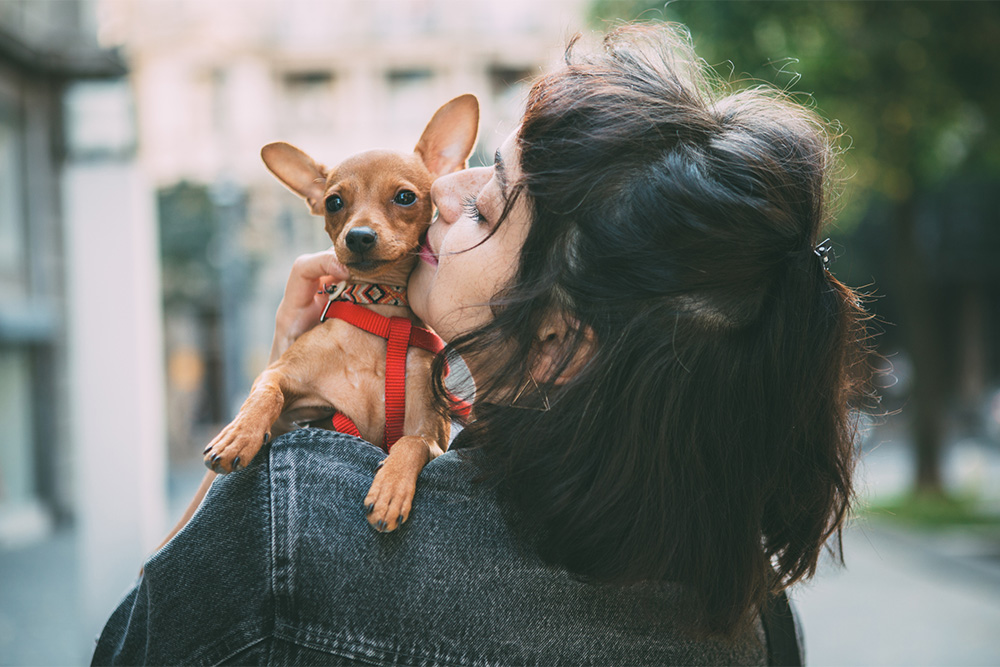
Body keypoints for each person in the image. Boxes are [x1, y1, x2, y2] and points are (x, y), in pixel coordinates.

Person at [92, 21, 872, 666]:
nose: (445, 191)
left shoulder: (293, 524)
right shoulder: (759, 619)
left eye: (489, 203)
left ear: (557, 345)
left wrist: (272, 402)